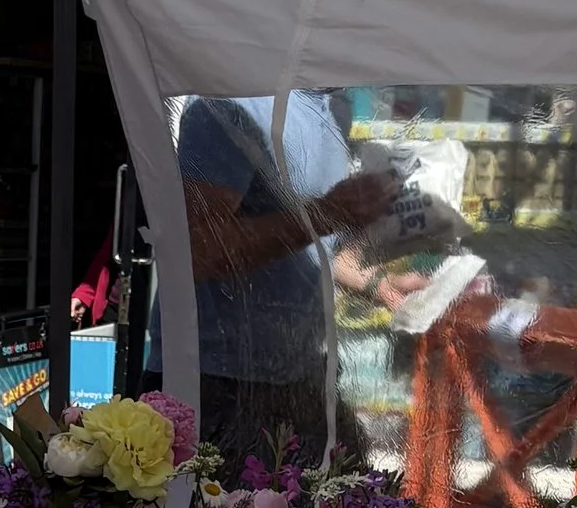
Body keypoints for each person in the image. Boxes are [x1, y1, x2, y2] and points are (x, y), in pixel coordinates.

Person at [178, 90, 422, 472]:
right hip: (218, 384)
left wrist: (377, 283)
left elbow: (313, 249)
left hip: (301, 375)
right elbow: (198, 249)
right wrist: (326, 213)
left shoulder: (333, 110)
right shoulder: (227, 102)